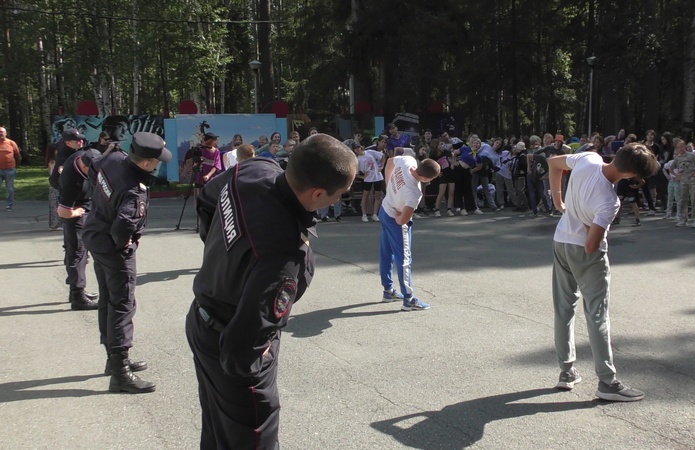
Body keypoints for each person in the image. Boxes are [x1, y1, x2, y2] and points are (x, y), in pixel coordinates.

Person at [186, 134, 356, 450]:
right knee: (250, 438)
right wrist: (254, 362)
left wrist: (225, 257)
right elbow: (243, 343)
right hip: (228, 340)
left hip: (201, 318)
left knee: (216, 429)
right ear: (318, 193)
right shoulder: (285, 250)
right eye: (341, 194)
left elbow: (207, 200)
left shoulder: (254, 169)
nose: (340, 199)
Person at [548, 143, 658, 402]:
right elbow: (591, 245)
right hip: (585, 254)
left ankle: (566, 372)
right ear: (631, 175)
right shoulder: (609, 201)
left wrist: (558, 199)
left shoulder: (588, 158)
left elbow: (553, 162)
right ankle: (607, 382)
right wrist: (588, 223)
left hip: (561, 241)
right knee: (596, 313)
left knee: (564, 310)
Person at [83, 132, 172, 394]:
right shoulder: (135, 191)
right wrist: (127, 244)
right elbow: (124, 227)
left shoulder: (113, 159)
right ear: (145, 163)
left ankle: (113, 359)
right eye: (156, 161)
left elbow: (93, 171)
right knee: (122, 304)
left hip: (95, 235)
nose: (158, 164)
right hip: (113, 248)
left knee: (108, 299)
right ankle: (120, 372)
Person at [379, 155, 440, 310]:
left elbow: (390, 161)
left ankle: (388, 290)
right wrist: (398, 213)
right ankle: (408, 299)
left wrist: (388, 185)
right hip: (394, 219)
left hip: (384, 210)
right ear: (426, 179)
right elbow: (402, 221)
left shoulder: (408, 160)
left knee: (386, 253)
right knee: (404, 259)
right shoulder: (414, 193)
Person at [57, 149, 103, 310]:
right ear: (85, 167)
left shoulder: (79, 156)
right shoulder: (73, 182)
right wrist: (76, 212)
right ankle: (78, 296)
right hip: (73, 213)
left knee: (79, 253)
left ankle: (76, 291)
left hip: (82, 205)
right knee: (77, 253)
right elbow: (62, 211)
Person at [0, 126, 22, 211]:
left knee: (9, 188)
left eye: (2, 132)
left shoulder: (11, 143)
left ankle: (9, 205)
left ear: (5, 133)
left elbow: (17, 154)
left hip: (9, 170)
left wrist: (16, 164)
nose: (0, 133)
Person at [45, 143, 62, 230]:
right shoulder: (53, 162)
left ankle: (55, 224)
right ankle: (55, 224)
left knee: (55, 204)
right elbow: (53, 174)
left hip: (54, 185)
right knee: (55, 204)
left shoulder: (53, 160)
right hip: (55, 186)